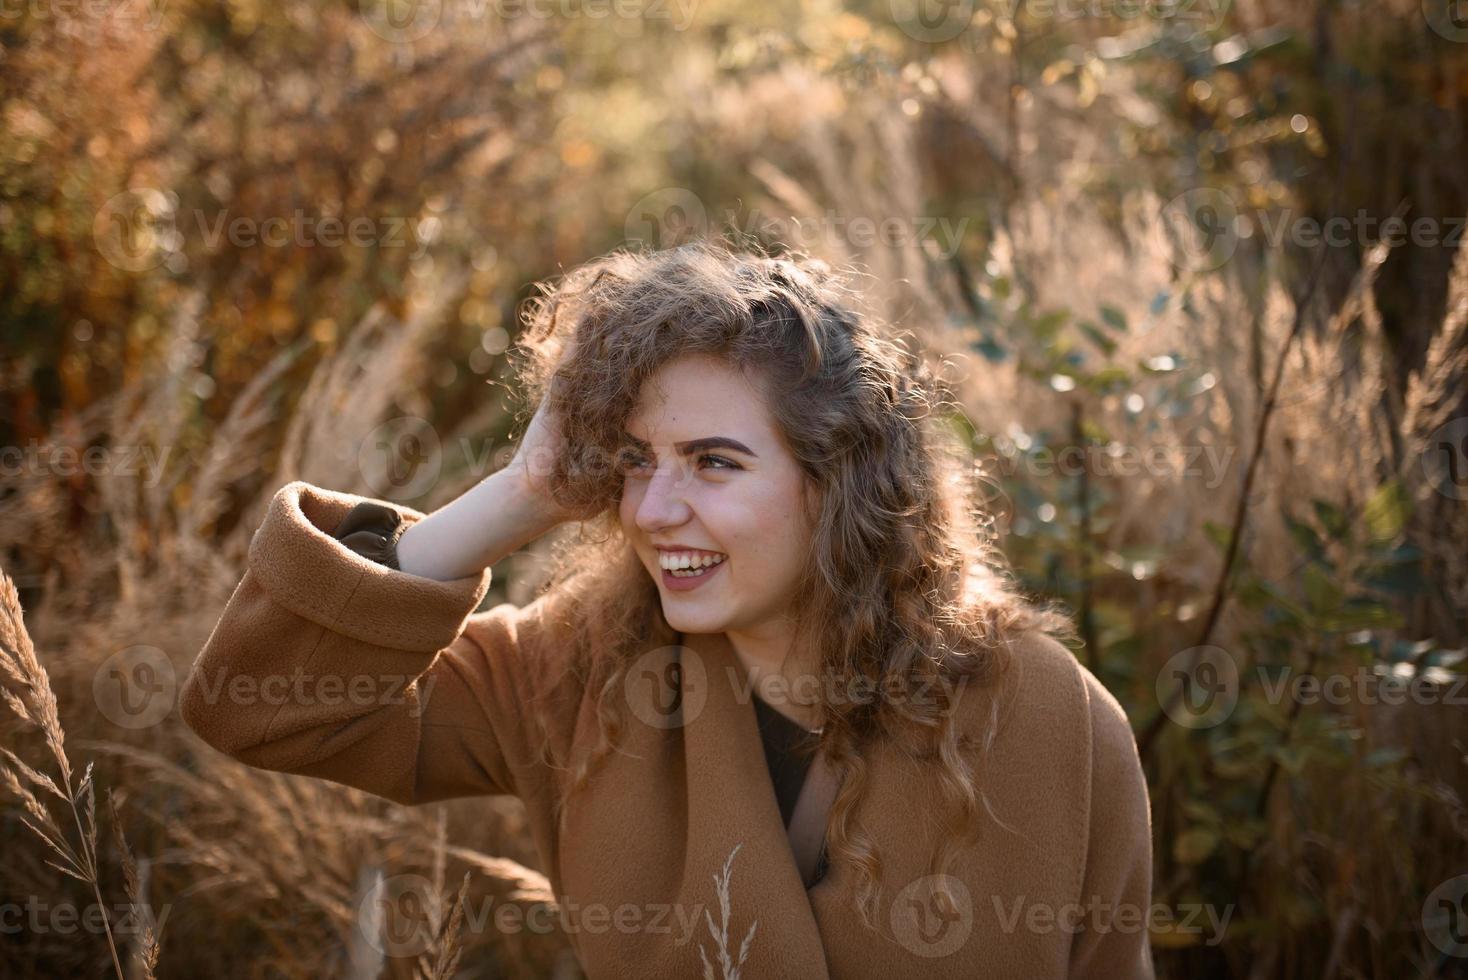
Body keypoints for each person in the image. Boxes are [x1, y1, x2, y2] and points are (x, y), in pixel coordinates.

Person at [180, 242, 1155, 978]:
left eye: (714, 462)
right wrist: (519, 491)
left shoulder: (1050, 718)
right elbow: (261, 704)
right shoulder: (580, 668)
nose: (651, 509)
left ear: (839, 480)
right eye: (634, 460)